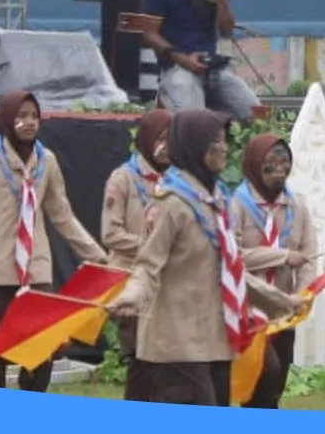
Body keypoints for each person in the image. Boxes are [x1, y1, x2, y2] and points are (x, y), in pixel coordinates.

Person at [105, 109, 302, 407]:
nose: (224, 148)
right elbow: (147, 265)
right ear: (194, 146)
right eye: (215, 142)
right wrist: (131, 296)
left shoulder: (216, 201)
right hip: (177, 343)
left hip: (214, 339)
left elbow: (228, 271)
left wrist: (281, 301)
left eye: (224, 140)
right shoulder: (171, 204)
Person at [0, 90, 109, 391]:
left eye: (34, 116)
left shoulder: (48, 161)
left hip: (35, 270)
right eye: (21, 116)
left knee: (42, 350)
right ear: (6, 119)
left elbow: (63, 216)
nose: (29, 122)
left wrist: (97, 256)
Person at [230, 133, 318, 409]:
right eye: (271, 162)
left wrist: (305, 292)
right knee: (265, 375)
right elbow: (232, 257)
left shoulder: (296, 205)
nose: (279, 169)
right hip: (250, 305)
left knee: (275, 386)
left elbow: (308, 255)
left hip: (284, 305)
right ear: (255, 164)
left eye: (285, 162)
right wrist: (281, 255)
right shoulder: (237, 204)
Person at [141, 0, 261, 123]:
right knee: (196, 123)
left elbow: (227, 30)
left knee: (258, 115)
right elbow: (149, 33)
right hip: (178, 67)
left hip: (212, 69)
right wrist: (182, 59)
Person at [100, 108, 172, 401]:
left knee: (163, 364)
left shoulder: (176, 180)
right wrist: (152, 244)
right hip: (131, 279)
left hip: (164, 284)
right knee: (140, 363)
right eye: (161, 139)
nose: (167, 147)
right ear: (146, 139)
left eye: (172, 140)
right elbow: (111, 234)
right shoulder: (124, 178)